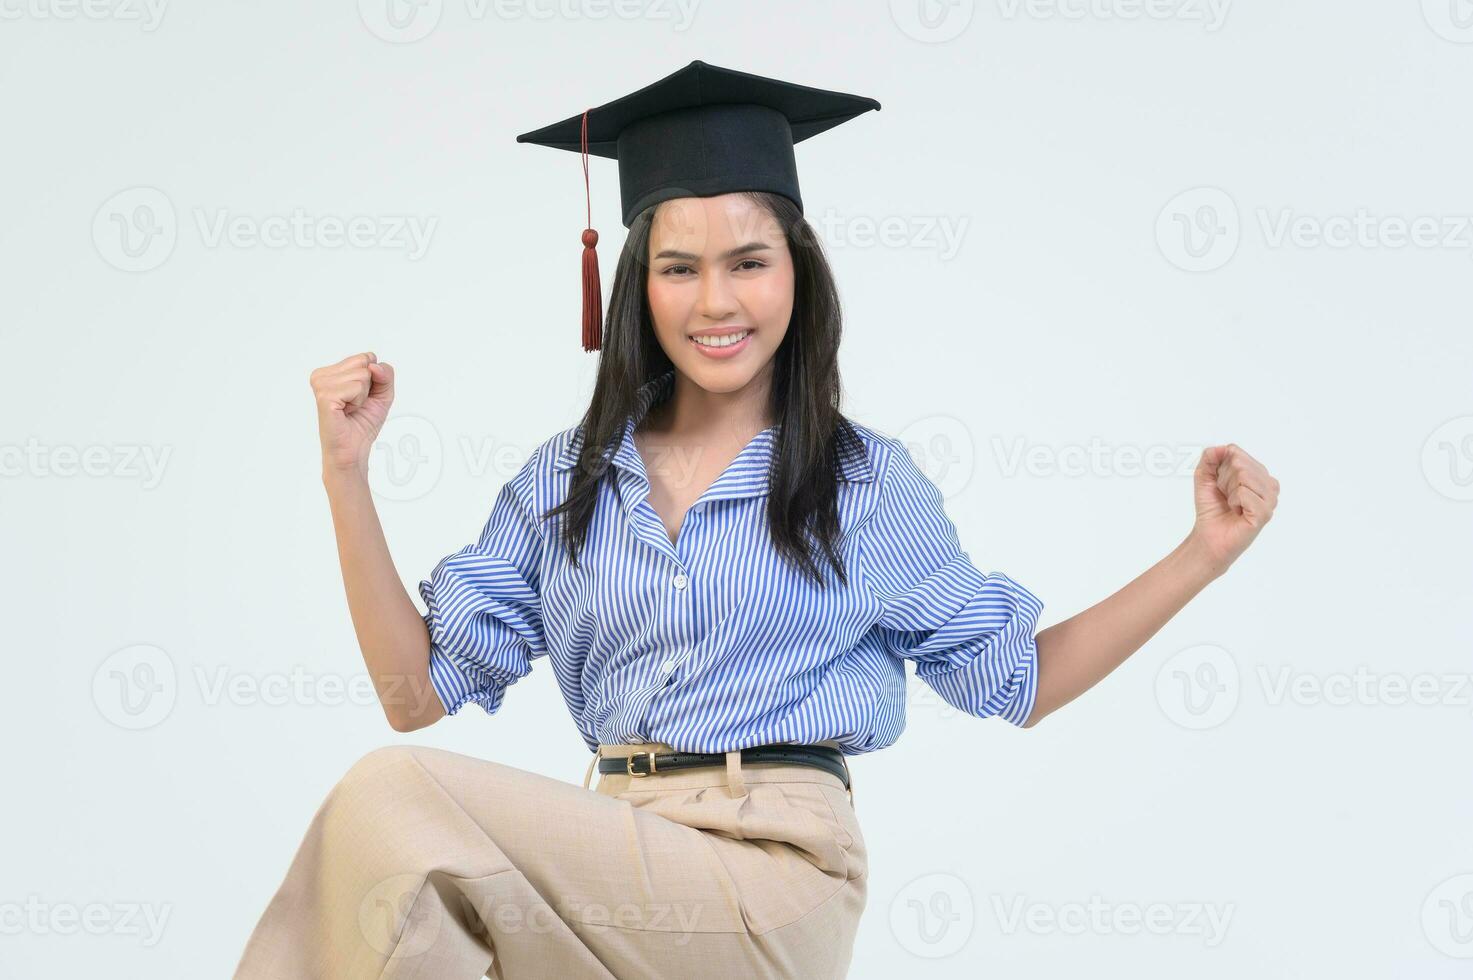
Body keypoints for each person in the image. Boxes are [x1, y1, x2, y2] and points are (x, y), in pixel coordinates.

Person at [232, 61, 1281, 979]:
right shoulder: (568, 483)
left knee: (393, 798)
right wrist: (346, 474)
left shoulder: (859, 481)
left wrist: (1202, 555)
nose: (715, 300)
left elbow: (1020, 678)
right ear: (639, 286)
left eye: (749, 261)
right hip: (607, 862)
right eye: (680, 267)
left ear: (797, 272)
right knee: (409, 909)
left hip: (772, 875)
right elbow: (415, 694)